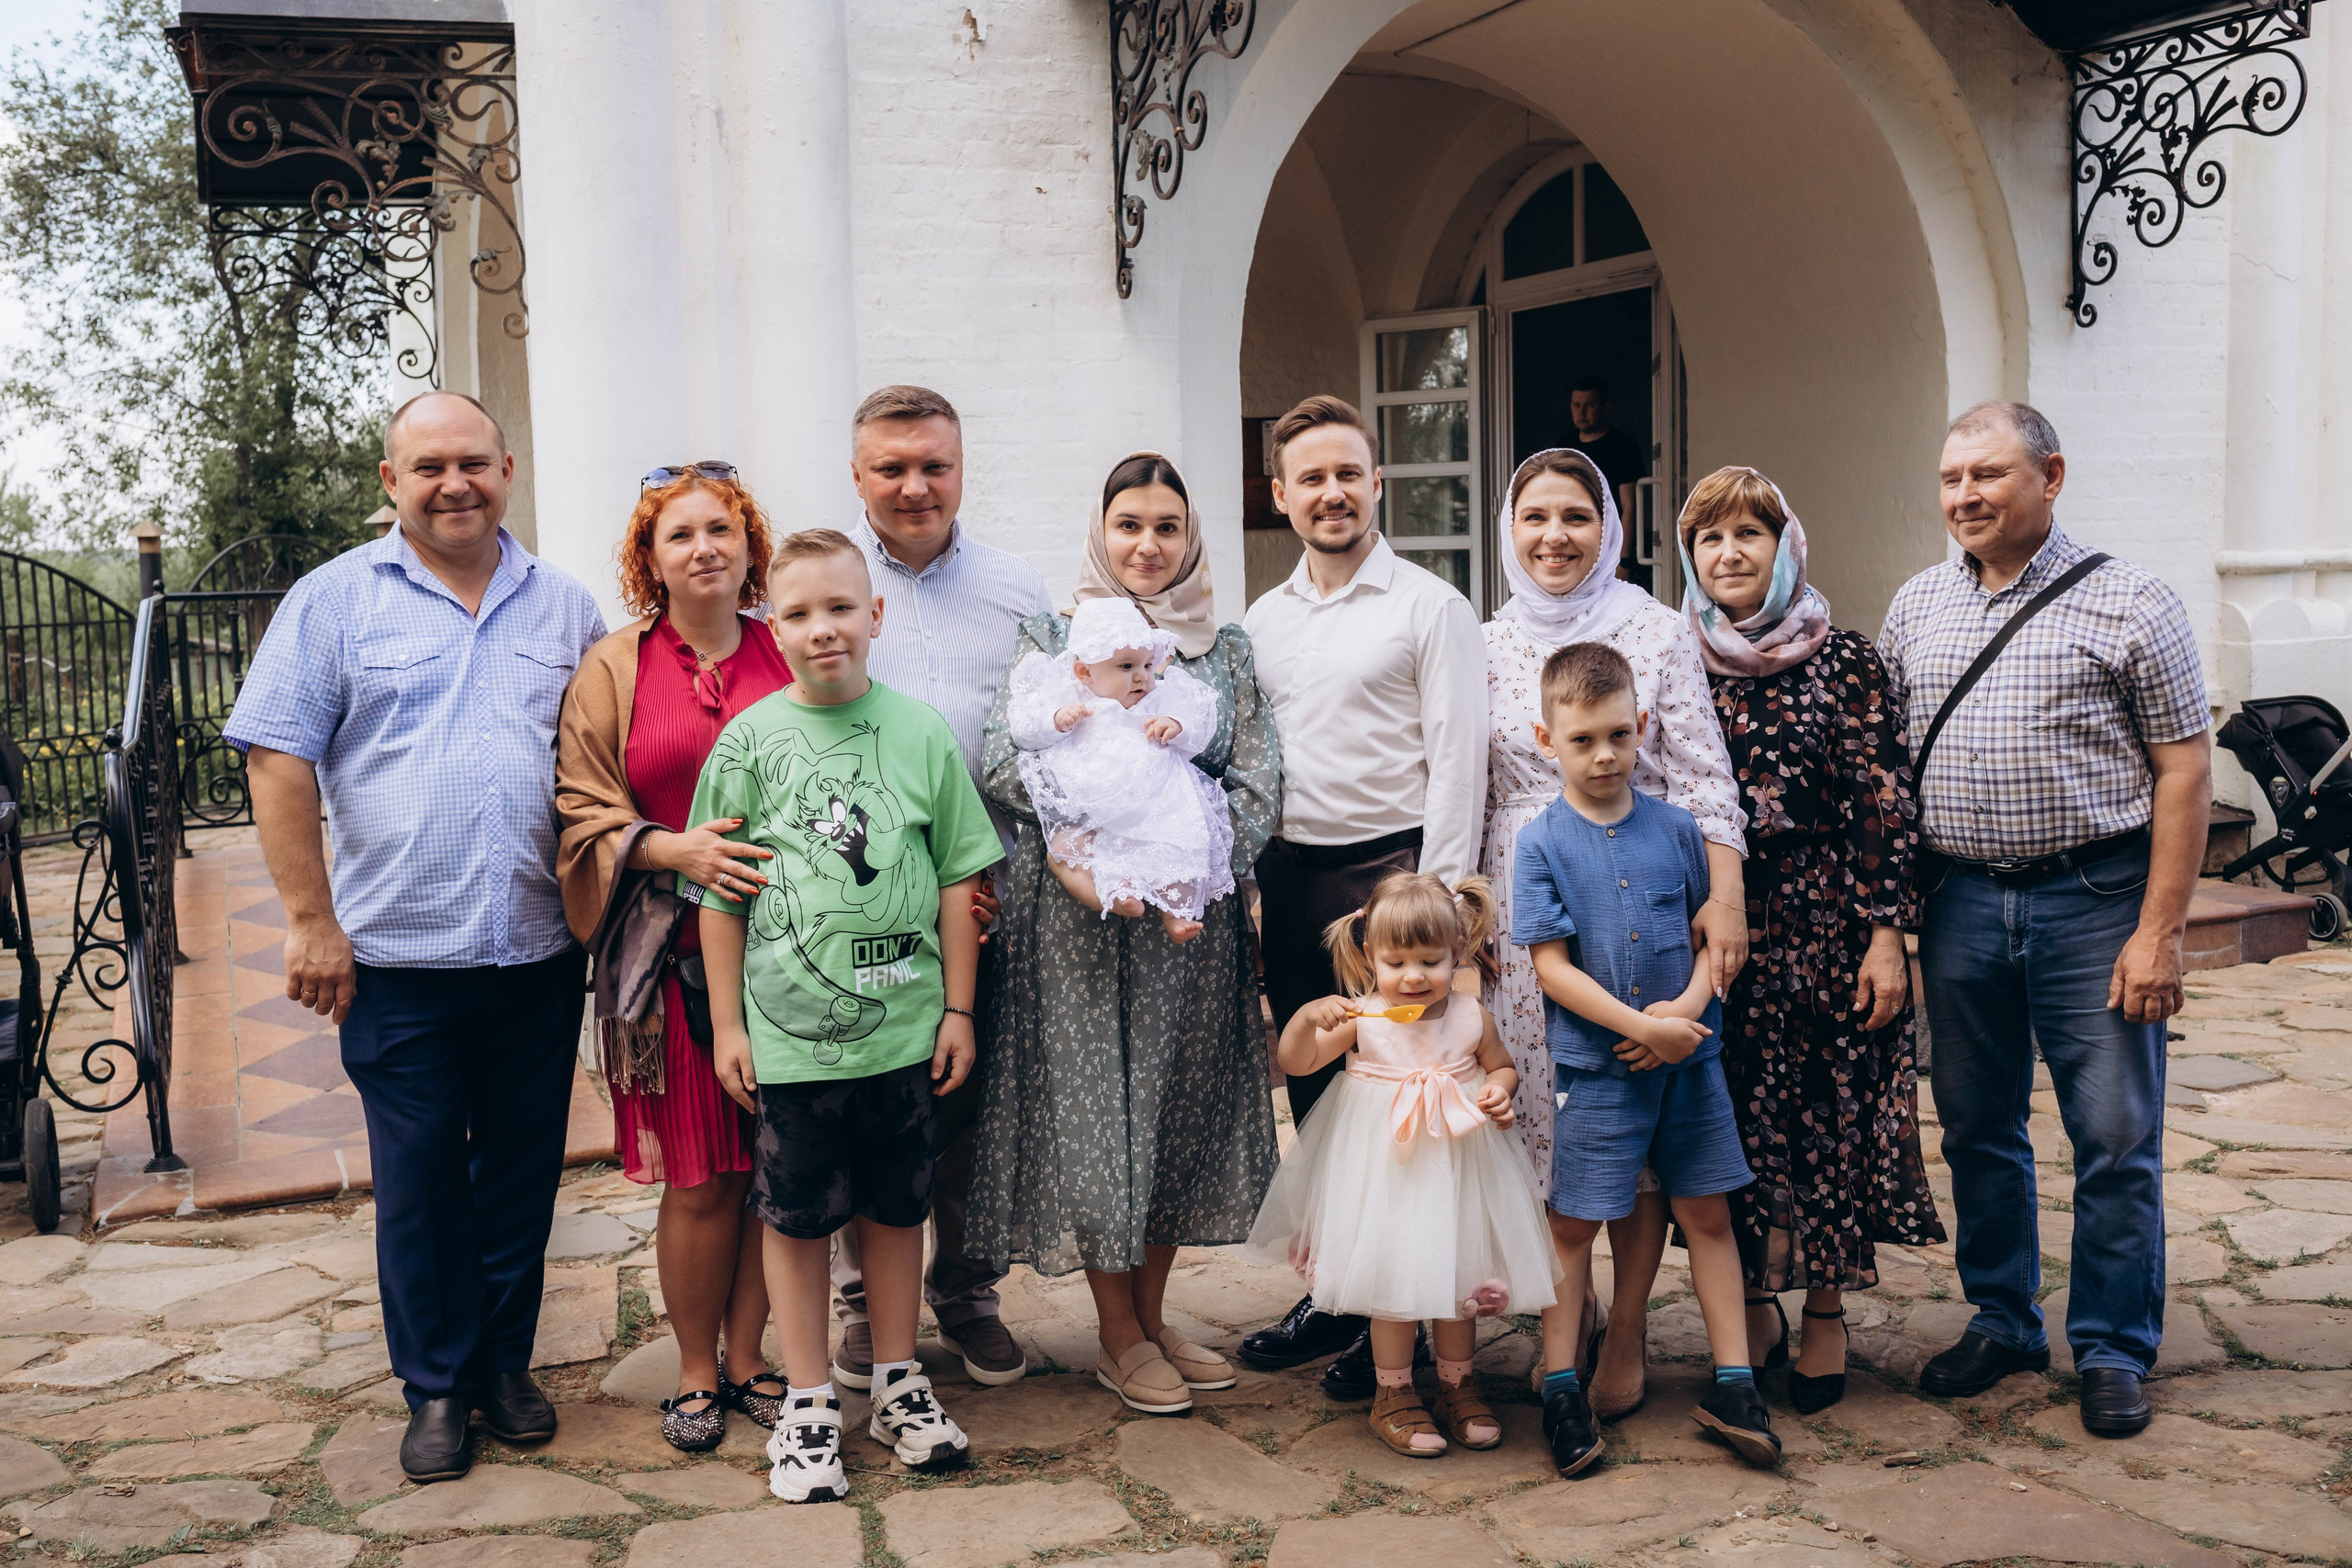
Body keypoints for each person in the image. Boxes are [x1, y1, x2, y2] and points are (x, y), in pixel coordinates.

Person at [225, 390, 608, 1483]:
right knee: (423, 1176)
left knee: (522, 1174)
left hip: (536, 950)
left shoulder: (565, 608)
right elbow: (277, 758)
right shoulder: (334, 601)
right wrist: (311, 921)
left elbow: (600, 758)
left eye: (474, 463)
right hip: (395, 959)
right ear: (390, 482)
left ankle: (502, 1365)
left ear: (508, 469)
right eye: (429, 465)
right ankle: (436, 1385)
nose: (455, 483)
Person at [1879, 402, 2211, 1438]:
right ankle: (2003, 1319)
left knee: (2114, 1137)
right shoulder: (1915, 604)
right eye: (1949, 479)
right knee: (1978, 1127)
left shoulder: (2132, 602)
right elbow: (1888, 773)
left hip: (2093, 902)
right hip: (1962, 901)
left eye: (1987, 474)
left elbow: (2185, 770)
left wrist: (2158, 932)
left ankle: (2112, 1346)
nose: (1964, 496)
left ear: (2050, 475)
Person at [692, 528, 1004, 1503]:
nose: (821, 629)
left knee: (894, 1203)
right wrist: (731, 1028)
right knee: (795, 1215)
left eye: (839, 608)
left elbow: (959, 876)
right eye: (796, 613)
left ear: (873, 617)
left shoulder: (917, 734)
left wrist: (956, 1008)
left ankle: (901, 1384)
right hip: (789, 1043)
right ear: (769, 625)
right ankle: (811, 1401)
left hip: (904, 1032)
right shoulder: (747, 743)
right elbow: (720, 895)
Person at [970, 451, 1282, 1416]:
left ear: (1190, 541)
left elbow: (1258, 777)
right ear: (1099, 536)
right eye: (1128, 526)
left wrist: (1186, 850)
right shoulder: (1049, 638)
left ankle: (1151, 1316)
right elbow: (1000, 760)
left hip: (1189, 921)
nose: (1147, 546)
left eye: (1166, 528)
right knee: (1102, 1111)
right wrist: (1096, 838)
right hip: (1080, 924)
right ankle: (1115, 1332)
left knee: (1177, 1110)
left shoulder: (1219, 650)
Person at [1479, 446, 1747, 1421]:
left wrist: (1725, 901)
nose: (1555, 536)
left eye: (1576, 517)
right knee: (1558, 1138)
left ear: (1609, 528)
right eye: (1535, 516)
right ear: (1509, 530)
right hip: (1529, 906)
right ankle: (1571, 1316)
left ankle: (1626, 1324)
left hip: (1643, 900)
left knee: (1635, 1132)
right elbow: (1472, 784)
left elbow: (1706, 777)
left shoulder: (1656, 631)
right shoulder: (1486, 638)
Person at [1677, 465, 1945, 1416]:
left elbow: (1882, 800)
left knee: (1831, 1113)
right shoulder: (1678, 656)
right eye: (1709, 538)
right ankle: (1752, 1294)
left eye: (1748, 534)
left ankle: (1825, 1307)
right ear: (1689, 555)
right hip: (1716, 921)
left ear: (1784, 546)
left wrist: (1887, 937)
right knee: (1736, 1114)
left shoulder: (1844, 657)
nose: (1729, 553)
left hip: (1828, 921)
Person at [1236, 396, 1488, 1397]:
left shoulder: (1431, 606)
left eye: (1349, 473)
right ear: (1282, 495)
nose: (1331, 492)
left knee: (1405, 1107)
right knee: (1321, 1100)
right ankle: (1337, 1292)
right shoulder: (1263, 618)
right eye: (1311, 478)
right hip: (1294, 879)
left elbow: (1457, 763)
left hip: (1392, 880)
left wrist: (1445, 918)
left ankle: (1415, 1317)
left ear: (1377, 481)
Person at [555, 462, 792, 1450]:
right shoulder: (616, 667)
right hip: (676, 963)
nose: (704, 548)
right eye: (679, 535)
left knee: (771, 1171)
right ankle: (696, 1367)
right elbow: (579, 806)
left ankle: (752, 1357)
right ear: (648, 560)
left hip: (793, 959)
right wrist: (672, 845)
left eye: (721, 530)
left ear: (748, 546)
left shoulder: (788, 652)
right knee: (702, 1178)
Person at [1512, 642, 1778, 1475]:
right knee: (1572, 1225)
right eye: (1583, 738)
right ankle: (1562, 1385)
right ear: (1544, 738)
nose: (1603, 754)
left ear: (1644, 729)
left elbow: (1711, 937)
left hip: (1691, 1065)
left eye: (1619, 735)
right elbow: (1551, 966)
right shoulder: (1540, 843)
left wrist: (1688, 1012)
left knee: (1706, 1215)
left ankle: (1733, 1384)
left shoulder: (1678, 831)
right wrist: (1638, 1025)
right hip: (1597, 1075)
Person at [834, 384, 1051, 1392]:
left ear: (961, 469)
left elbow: (1052, 741)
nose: (915, 486)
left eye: (934, 465)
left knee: (968, 1110)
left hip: (983, 898)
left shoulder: (1017, 591)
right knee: (861, 1105)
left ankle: (965, 1292)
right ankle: (858, 1303)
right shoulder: (829, 585)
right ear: (857, 474)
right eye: (892, 467)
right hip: (855, 906)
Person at [1244, 873, 1557, 1459]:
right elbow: (1298, 1061)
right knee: (1394, 1282)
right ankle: (1393, 1393)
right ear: (1369, 956)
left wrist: (1498, 1088)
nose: (1414, 976)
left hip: (1459, 1164)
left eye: (1431, 961)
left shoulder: (1469, 1016)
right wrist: (1309, 1017)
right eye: (1397, 962)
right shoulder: (1363, 1018)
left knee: (1458, 1277)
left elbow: (1501, 1065)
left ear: (1458, 953)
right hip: (1386, 1167)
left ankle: (1458, 1385)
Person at [1005, 595, 1231, 942]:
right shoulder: (1070, 696)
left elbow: (1200, 727)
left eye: (1145, 665)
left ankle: (1177, 914)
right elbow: (1023, 729)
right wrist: (1055, 721)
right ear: (1085, 671)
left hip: (1156, 806)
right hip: (1092, 811)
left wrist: (1176, 725)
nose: (1141, 677)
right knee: (1064, 849)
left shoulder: (1159, 698)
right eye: (1126, 667)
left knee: (1181, 847)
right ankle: (1112, 894)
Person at [1567, 379, 1647, 586]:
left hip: (1611, 546)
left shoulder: (1623, 446)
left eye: (1590, 405)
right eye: (1577, 405)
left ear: (1605, 408)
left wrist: (1624, 560)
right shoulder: (1564, 447)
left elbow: (1630, 507)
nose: (1582, 411)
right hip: (1575, 540)